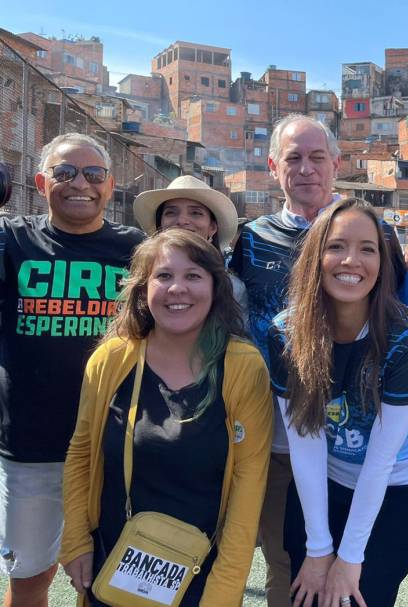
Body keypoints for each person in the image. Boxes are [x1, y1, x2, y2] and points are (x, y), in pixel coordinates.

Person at [60, 229, 272, 606]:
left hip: (200, 573)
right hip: (114, 565)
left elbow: (248, 484)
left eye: (193, 276)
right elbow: (81, 452)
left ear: (215, 288)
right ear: (143, 289)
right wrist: (76, 540)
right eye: (163, 276)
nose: (178, 289)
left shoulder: (242, 366)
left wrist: (223, 592)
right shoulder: (111, 360)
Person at [269, 198, 408, 607]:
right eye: (336, 246)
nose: (352, 260)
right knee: (308, 595)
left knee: (354, 598)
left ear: (382, 263)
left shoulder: (407, 340)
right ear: (315, 256)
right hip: (326, 477)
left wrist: (348, 558)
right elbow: (305, 443)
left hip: (401, 485)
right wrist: (318, 550)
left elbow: (381, 460)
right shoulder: (286, 334)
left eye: (368, 249)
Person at [0, 133, 145, 606]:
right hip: (31, 446)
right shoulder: (12, 239)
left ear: (110, 185)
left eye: (92, 174)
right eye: (64, 173)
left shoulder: (137, 249)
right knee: (29, 579)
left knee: (112, 580)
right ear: (42, 182)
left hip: (114, 442)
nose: (78, 183)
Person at [228, 114, 342, 605]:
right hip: (276, 438)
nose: (307, 169)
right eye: (293, 158)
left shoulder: (366, 230)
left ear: (336, 164)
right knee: (284, 560)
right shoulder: (250, 240)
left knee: (350, 558)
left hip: (350, 436)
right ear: (274, 166)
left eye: (318, 157)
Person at [133, 174, 247, 313]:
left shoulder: (233, 289)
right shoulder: (141, 280)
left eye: (195, 213)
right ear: (160, 225)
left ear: (212, 228)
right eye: (171, 213)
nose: (182, 220)